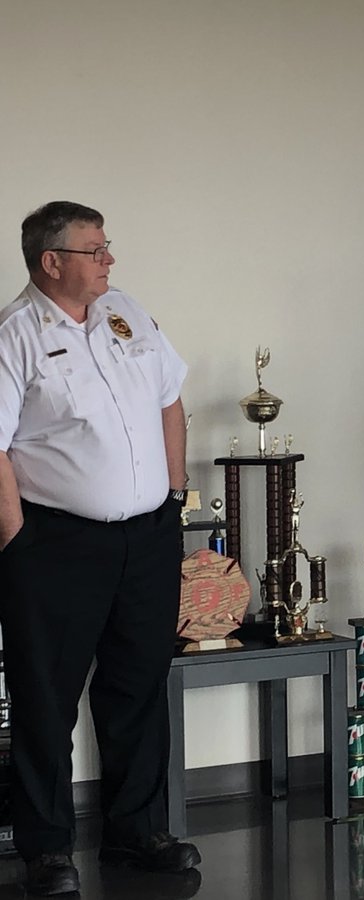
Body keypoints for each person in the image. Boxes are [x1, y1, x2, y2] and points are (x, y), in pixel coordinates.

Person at [0, 202, 200, 895]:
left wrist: (174, 495)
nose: (109, 260)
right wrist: (15, 542)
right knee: (46, 696)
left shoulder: (128, 313)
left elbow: (171, 397)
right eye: (95, 250)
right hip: (55, 542)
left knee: (138, 685)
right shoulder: (14, 335)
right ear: (52, 262)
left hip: (145, 537)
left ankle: (137, 832)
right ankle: (47, 849)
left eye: (107, 247)